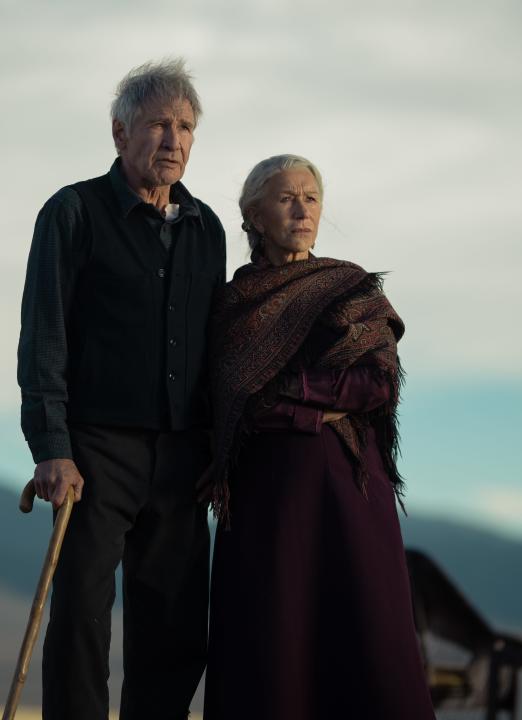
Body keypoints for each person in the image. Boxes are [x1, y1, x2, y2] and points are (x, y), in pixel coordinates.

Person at [16, 59, 226, 720]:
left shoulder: (207, 228)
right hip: (93, 451)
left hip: (183, 458)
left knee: (176, 627)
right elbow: (44, 332)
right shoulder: (72, 212)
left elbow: (217, 351)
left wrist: (220, 452)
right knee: (81, 614)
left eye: (186, 126)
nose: (174, 140)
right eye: (159, 124)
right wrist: (51, 445)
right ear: (119, 132)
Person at [203, 155, 435, 719]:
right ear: (254, 215)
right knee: (273, 643)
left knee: (367, 639)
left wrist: (288, 395)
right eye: (286, 198)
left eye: (311, 197)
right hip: (264, 500)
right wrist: (308, 406)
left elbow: (375, 381)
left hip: (348, 493)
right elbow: (231, 398)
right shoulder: (232, 304)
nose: (303, 209)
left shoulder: (348, 287)